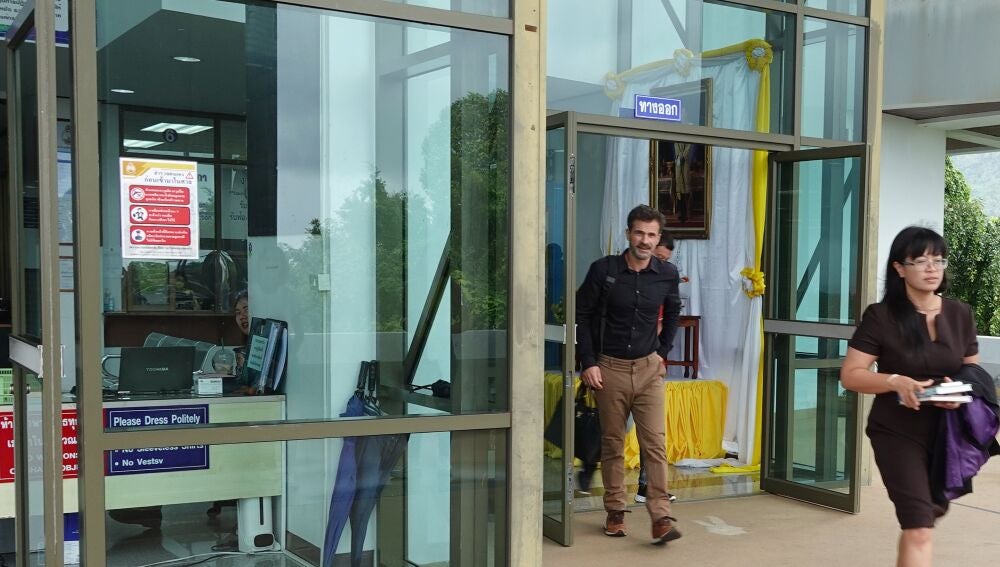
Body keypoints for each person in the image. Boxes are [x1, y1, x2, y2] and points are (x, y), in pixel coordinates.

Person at [841, 226, 979, 567]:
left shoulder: (960, 314)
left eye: (938, 260)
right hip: (897, 432)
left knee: (923, 524)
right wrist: (894, 381)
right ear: (899, 268)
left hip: (948, 434)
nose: (932, 268)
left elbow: (972, 375)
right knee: (919, 527)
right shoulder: (881, 316)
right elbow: (851, 375)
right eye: (920, 260)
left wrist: (957, 394)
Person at [576, 205, 682, 544]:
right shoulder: (603, 270)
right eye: (639, 233)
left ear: (658, 238)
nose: (645, 240)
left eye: (652, 235)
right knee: (612, 444)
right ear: (628, 234)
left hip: (649, 368)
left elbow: (675, 312)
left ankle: (661, 516)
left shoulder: (666, 274)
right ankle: (615, 512)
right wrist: (588, 361)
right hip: (609, 369)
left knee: (656, 444)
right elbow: (583, 316)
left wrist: (663, 353)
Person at [634, 230, 681, 505]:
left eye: (665, 259)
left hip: (649, 364)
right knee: (614, 431)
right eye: (659, 257)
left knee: (650, 432)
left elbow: (666, 320)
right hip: (620, 362)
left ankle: (648, 487)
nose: (661, 263)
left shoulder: (663, 279)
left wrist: (660, 354)